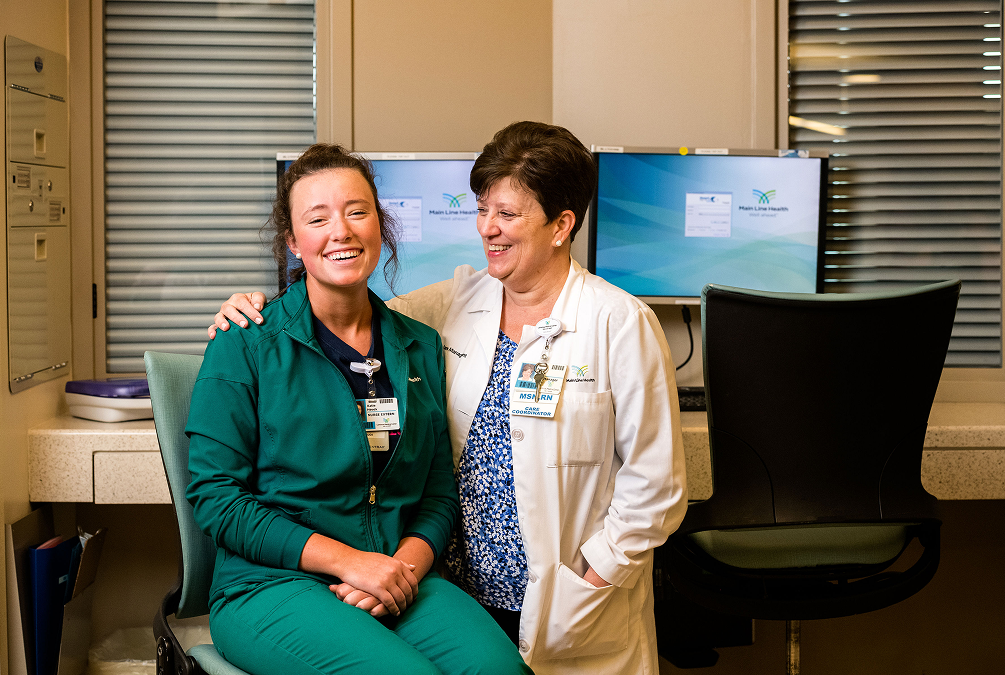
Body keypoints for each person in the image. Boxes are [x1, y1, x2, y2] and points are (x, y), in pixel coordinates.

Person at [210, 122, 688, 674]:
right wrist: (253, 309)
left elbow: (655, 485)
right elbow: (344, 303)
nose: (488, 229)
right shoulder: (463, 298)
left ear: (562, 225)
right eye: (482, 210)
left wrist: (593, 576)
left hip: (566, 602)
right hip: (460, 582)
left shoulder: (619, 322)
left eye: (507, 215)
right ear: (291, 237)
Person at [186, 143, 531, 675]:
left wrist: (401, 569)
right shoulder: (245, 342)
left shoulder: (418, 345)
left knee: (503, 671)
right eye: (317, 218)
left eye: (357, 211)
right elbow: (217, 500)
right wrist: (351, 563)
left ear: (380, 225)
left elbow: (438, 491)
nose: (340, 231)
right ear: (293, 243)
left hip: (395, 572)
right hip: (272, 585)